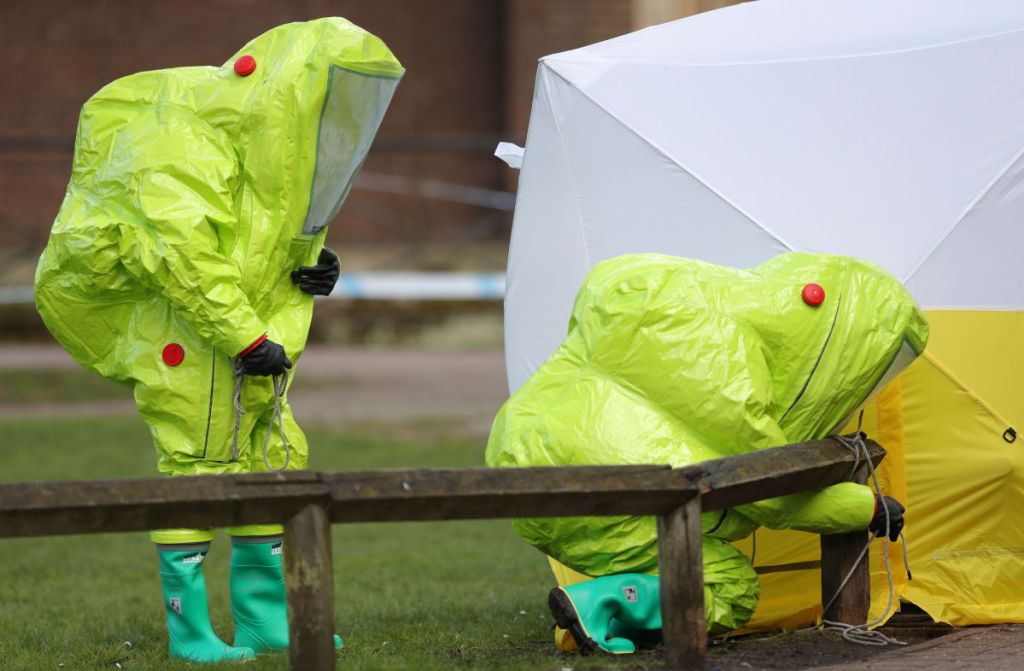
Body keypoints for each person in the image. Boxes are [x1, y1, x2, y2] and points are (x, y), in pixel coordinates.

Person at [34, 18, 403, 663]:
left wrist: (312, 265)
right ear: (295, 91)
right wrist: (246, 336)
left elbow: (256, 236)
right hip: (177, 322)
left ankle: (265, 623)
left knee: (270, 458)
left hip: (232, 330)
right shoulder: (179, 141)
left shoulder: (267, 147)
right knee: (199, 462)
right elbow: (186, 260)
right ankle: (191, 633)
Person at [485, 252, 925, 653]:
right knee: (729, 585)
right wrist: (865, 507)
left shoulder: (678, 305)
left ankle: (594, 621)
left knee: (669, 553)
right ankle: (604, 603)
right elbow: (768, 487)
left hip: (520, 449)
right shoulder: (729, 367)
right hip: (620, 488)